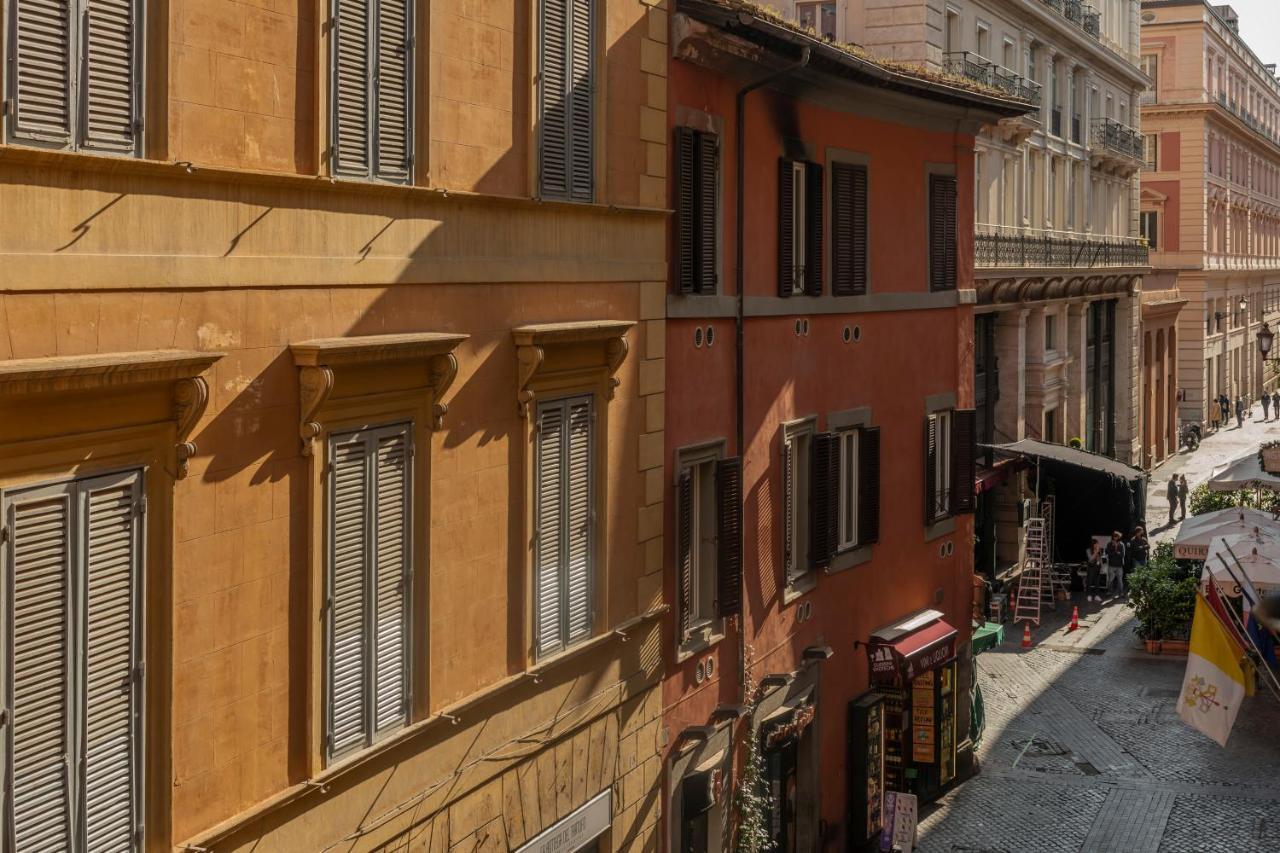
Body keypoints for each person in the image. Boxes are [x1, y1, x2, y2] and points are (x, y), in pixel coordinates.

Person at [1106, 531, 1127, 598]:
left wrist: (1116, 551)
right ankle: (1110, 592)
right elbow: (1109, 554)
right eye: (1114, 536)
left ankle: (1121, 593)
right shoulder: (1109, 544)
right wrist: (1115, 550)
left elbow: (1122, 555)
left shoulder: (1121, 544)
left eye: (1117, 536)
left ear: (1119, 537)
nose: (1115, 538)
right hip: (1111, 564)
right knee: (1110, 580)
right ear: (1113, 536)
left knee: (1120, 580)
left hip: (1119, 565)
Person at [1085, 538, 1105, 603]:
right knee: (1090, 582)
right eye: (1096, 543)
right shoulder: (1088, 550)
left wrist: (1101, 567)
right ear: (1093, 544)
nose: (1097, 545)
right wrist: (1096, 552)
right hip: (1091, 567)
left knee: (1097, 582)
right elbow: (1091, 559)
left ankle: (1097, 595)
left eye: (1097, 543)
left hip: (1097, 567)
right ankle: (1089, 595)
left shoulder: (1099, 550)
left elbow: (1100, 559)